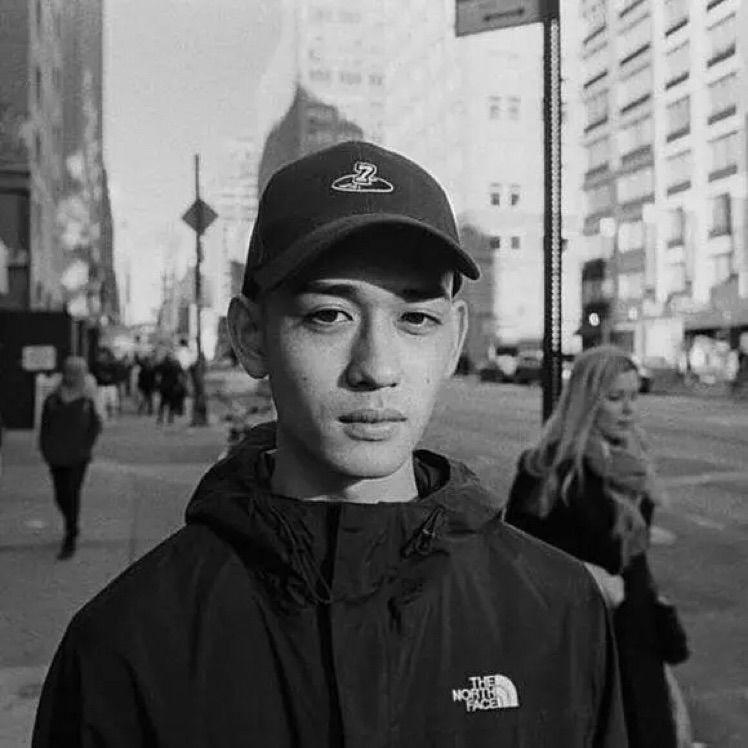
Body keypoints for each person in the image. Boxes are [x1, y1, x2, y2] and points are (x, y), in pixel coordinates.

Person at [33, 142, 627, 746]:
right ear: (251, 336)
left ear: (454, 340)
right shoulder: (128, 646)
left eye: (415, 319)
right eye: (328, 315)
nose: (376, 368)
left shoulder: (557, 609)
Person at [504, 345, 689, 748]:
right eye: (615, 398)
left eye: (634, 396)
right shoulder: (546, 468)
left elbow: (635, 558)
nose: (629, 410)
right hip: (578, 637)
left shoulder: (632, 459)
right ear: (588, 400)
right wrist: (588, 575)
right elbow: (515, 556)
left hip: (635, 631)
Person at [38, 356, 102, 560]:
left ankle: (70, 534)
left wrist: (85, 448)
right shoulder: (53, 400)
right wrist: (45, 448)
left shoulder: (87, 400)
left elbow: (95, 426)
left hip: (77, 458)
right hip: (56, 456)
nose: (72, 376)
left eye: (76, 372)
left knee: (71, 494)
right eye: (69, 371)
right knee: (60, 496)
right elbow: (45, 426)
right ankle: (71, 523)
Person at [154, 350, 186, 424]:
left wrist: (158, 385)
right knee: (171, 404)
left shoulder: (162, 366)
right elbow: (180, 377)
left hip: (164, 388)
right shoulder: (175, 367)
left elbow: (157, 376)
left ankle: (161, 418)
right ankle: (170, 419)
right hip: (172, 388)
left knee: (163, 403)